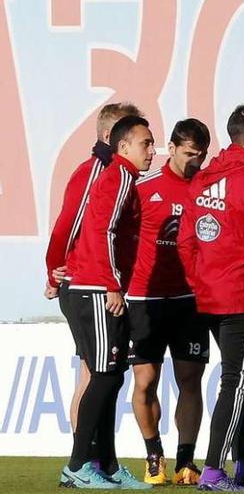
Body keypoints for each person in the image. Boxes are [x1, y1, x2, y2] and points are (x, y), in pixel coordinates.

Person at [177, 105, 244, 491]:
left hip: (209, 296)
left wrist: (200, 281)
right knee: (237, 382)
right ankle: (214, 471)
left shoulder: (204, 179)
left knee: (243, 381)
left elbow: (186, 242)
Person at [60, 115, 155, 489]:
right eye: (146, 143)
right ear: (124, 146)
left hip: (98, 287)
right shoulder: (117, 177)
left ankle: (108, 466)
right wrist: (112, 285)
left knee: (112, 376)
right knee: (103, 376)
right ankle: (78, 465)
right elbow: (102, 232)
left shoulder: (125, 179)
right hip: (96, 291)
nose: (152, 149)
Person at [44, 102, 142, 439]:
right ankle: (83, 460)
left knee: (97, 373)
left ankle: (95, 459)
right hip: (86, 281)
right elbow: (68, 225)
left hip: (96, 280)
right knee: (94, 374)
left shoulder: (119, 174)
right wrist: (54, 269)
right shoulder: (97, 172)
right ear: (110, 137)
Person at [126, 119, 211, 485]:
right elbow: (112, 232)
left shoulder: (208, 190)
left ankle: (187, 461)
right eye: (189, 153)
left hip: (190, 299)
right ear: (172, 148)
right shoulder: (143, 189)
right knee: (145, 380)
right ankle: (153, 455)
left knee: (190, 380)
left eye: (201, 155)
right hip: (144, 297)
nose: (195, 161)